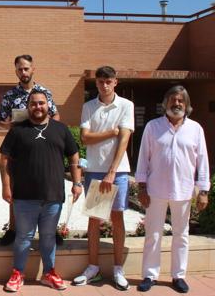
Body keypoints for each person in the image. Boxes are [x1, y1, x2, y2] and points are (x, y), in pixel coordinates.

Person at [0, 89, 82, 292]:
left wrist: (77, 183)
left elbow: (74, 157)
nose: (38, 107)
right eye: (34, 103)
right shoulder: (18, 131)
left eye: (42, 103)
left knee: (48, 237)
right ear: (28, 107)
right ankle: (18, 273)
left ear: (49, 106)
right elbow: (4, 160)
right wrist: (6, 186)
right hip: (24, 197)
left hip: (53, 197)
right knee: (23, 237)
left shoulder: (61, 129)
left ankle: (49, 273)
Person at [135, 85, 210, 293]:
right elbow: (143, 159)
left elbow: (203, 160)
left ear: (186, 105)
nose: (176, 104)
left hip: (184, 191)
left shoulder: (195, 129)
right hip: (155, 190)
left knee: (181, 235)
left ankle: (178, 276)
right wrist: (141, 187)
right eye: (173, 100)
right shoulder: (153, 127)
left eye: (181, 101)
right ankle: (150, 275)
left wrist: (203, 191)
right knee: (153, 234)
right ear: (165, 103)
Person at [72, 66, 134, 291]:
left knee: (117, 218)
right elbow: (85, 138)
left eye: (108, 81)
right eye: (100, 82)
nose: (104, 85)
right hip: (94, 171)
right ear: (96, 83)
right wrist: (112, 132)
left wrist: (112, 172)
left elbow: (124, 140)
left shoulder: (126, 105)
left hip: (117, 172)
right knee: (94, 220)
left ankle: (118, 268)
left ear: (115, 82)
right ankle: (93, 267)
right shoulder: (89, 107)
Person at [0, 54, 60, 246]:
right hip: (19, 149)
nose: (23, 72)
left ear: (33, 69)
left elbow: (55, 115)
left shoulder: (44, 92)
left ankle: (51, 231)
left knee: (48, 189)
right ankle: (13, 229)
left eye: (26, 68)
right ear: (16, 71)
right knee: (16, 189)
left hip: (42, 147)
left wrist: (49, 130)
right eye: (19, 69)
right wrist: (12, 129)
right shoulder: (10, 95)